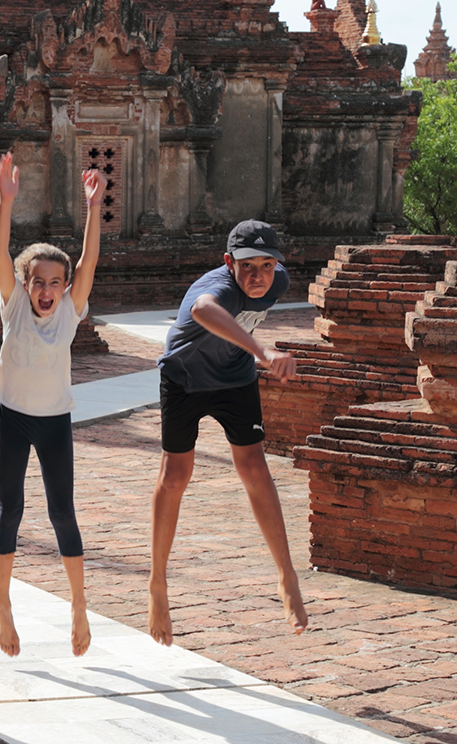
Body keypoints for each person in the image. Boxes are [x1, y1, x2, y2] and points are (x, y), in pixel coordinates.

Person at [148, 219, 308, 646]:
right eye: (247, 267)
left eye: (267, 265)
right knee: (176, 477)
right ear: (228, 263)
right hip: (184, 379)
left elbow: (258, 298)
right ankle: (157, 583)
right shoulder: (217, 287)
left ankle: (286, 576)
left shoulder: (278, 282)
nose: (258, 277)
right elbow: (202, 309)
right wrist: (263, 350)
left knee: (255, 468)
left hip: (235, 380)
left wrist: (252, 356)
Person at [0, 151, 106, 657]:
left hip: (55, 423)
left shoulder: (70, 312)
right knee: (8, 510)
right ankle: (3, 606)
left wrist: (93, 207)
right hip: (12, 419)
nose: (47, 290)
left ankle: (78, 605)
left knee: (63, 513)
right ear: (26, 282)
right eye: (39, 281)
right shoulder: (13, 302)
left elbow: (90, 261)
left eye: (56, 282)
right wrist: (5, 201)